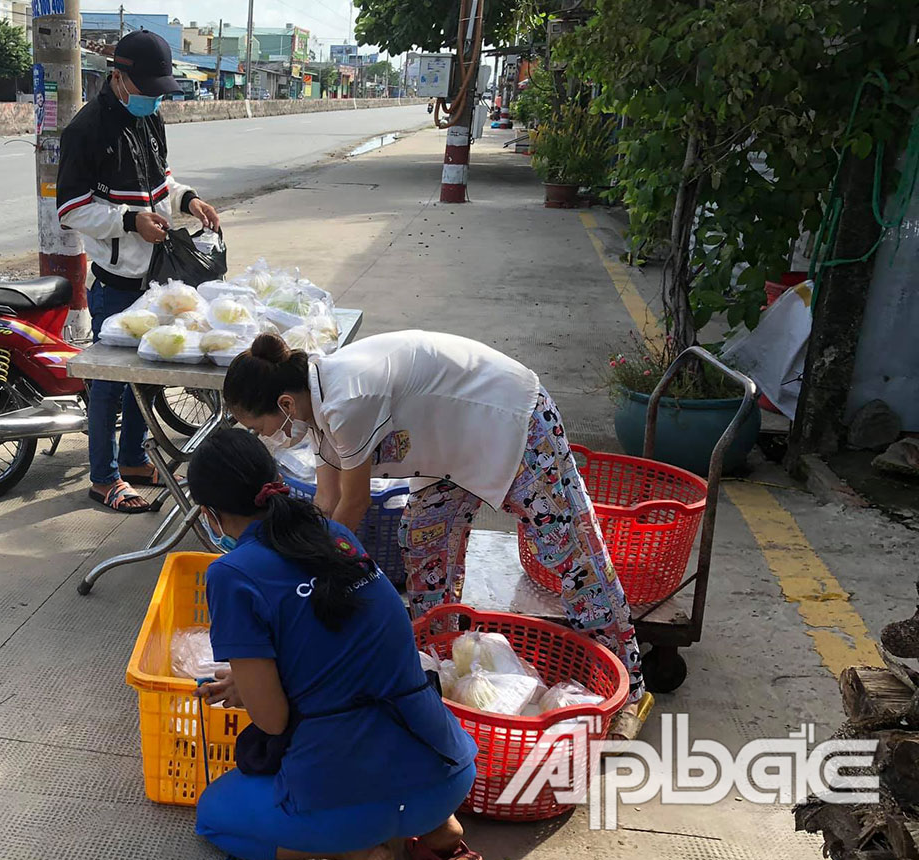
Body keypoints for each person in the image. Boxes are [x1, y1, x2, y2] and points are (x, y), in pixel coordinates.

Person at [221, 331, 652, 740]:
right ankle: (443, 666)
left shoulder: (345, 400)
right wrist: (293, 559)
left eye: (261, 428)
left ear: (284, 404)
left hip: (510, 422)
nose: (266, 439)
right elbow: (327, 501)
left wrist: (312, 571)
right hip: (449, 447)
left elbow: (352, 506)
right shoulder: (314, 411)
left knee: (572, 555)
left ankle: (631, 691)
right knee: (423, 543)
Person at [188, 428, 480, 860]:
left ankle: (358, 854)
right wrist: (256, 679)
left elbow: (272, 720)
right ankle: (440, 833)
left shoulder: (231, 574)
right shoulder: (334, 535)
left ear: (212, 514)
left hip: (344, 795)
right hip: (445, 774)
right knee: (386, 745)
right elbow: (345, 647)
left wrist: (253, 689)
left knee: (213, 813)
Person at [57, 30, 221, 514]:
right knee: (109, 382)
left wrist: (187, 198)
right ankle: (103, 478)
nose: (153, 98)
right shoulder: (85, 131)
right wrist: (129, 222)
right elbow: (71, 209)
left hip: (154, 276)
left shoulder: (150, 121)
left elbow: (161, 182)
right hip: (115, 282)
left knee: (145, 377)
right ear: (118, 77)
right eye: (147, 88)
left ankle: (132, 460)